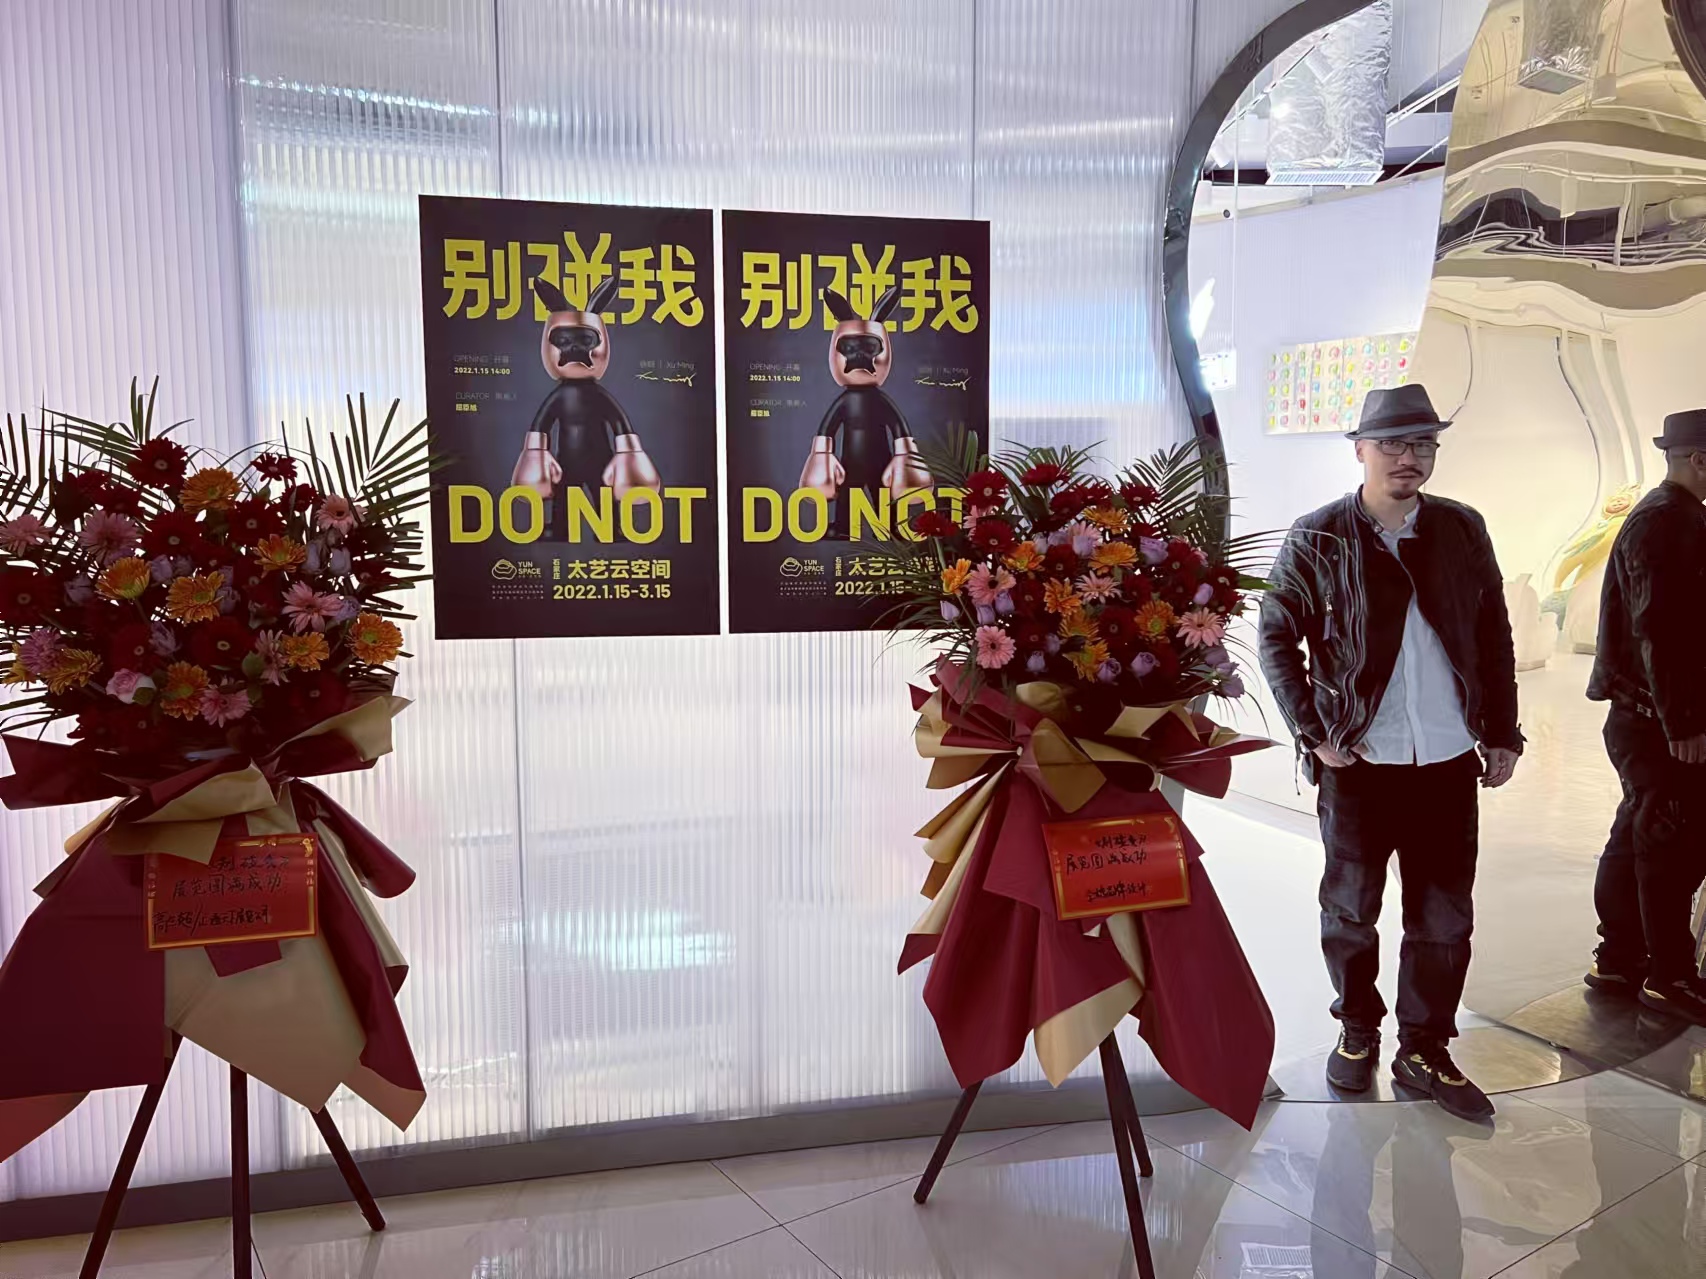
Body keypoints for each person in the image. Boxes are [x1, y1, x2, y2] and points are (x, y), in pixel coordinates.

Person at [1258, 384, 1522, 1122]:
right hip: (1359, 761)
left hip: (1446, 758)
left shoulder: (1461, 529)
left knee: (1444, 917)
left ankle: (1424, 1047)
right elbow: (1276, 635)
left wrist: (1502, 731)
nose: (1410, 458)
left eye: (1423, 444)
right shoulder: (1320, 535)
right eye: (1395, 444)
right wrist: (1314, 732)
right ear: (1361, 451)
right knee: (1350, 909)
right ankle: (1357, 1028)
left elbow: (1493, 633)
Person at [1584, 408, 1706, 1022]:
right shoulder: (1667, 522)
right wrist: (1684, 723)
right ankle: (1669, 975)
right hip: (1658, 721)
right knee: (1672, 846)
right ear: (1699, 460)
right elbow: (1660, 629)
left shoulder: (1674, 516)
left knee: (1643, 832)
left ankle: (1621, 958)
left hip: (1646, 716)